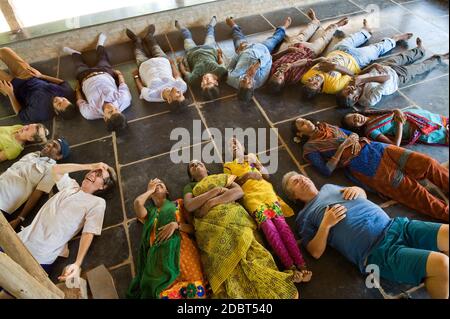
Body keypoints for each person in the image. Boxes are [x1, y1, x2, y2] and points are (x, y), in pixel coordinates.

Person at [282, 171, 449, 299]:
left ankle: (437, 278)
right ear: (294, 196)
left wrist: (358, 190)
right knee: (442, 264)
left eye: (301, 176)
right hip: (377, 252)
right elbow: (315, 252)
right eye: (296, 182)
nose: (302, 179)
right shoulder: (304, 216)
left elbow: (361, 196)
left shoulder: (328, 187)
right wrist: (326, 224)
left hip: (397, 225)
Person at [292, 117, 449, 221]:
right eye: (301, 124)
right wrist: (342, 148)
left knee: (428, 163)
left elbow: (350, 134)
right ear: (300, 133)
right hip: (367, 167)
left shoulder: (326, 126)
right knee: (414, 192)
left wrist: (352, 137)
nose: (305, 121)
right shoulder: (310, 149)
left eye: (304, 119)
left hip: (377, 148)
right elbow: (326, 171)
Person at [183, 160, 299, 299]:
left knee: (252, 253)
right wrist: (216, 191)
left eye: (199, 163)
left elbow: (238, 192)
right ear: (190, 175)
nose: (196, 165)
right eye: (192, 165)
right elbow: (190, 205)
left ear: (207, 169)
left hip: (234, 218)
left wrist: (212, 202)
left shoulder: (222, 176)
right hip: (209, 228)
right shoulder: (190, 187)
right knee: (225, 265)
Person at [223, 138, 312, 282]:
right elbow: (232, 187)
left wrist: (257, 163)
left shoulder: (252, 156)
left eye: (235, 142)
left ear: (242, 146)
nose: (233, 145)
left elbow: (267, 176)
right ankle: (290, 267)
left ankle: (301, 264)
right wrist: (246, 176)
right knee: (270, 230)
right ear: (228, 151)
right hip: (252, 199)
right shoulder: (228, 166)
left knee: (283, 228)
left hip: (267, 194)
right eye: (230, 144)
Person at [15, 162, 116, 277]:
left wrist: (77, 264)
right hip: (19, 239)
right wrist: (89, 166)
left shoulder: (97, 203)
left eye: (99, 174)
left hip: (40, 256)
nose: (93, 173)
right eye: (94, 171)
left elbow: (89, 232)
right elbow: (56, 169)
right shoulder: (71, 186)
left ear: (103, 186)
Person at [127, 178, 208, 299]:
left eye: (161, 183)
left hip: (184, 251)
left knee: (195, 291)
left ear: (167, 191)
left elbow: (194, 228)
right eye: (154, 184)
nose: (157, 184)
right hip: (160, 260)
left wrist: (176, 225)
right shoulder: (149, 213)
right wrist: (150, 191)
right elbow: (138, 203)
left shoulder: (179, 204)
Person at [301, 19, 412, 98]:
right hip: (356, 60)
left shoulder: (306, 77)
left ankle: (366, 30)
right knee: (377, 49)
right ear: (320, 90)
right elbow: (353, 75)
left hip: (338, 50)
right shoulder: (332, 87)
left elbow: (316, 62)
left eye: (310, 81)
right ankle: (395, 39)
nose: (314, 79)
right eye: (315, 84)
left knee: (353, 37)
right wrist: (334, 67)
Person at [337, 38, 449, 108]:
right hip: (397, 77)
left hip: (384, 66)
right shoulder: (369, 99)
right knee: (420, 67)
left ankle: (420, 50)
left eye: (346, 89)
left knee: (403, 56)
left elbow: (362, 72)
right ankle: (441, 57)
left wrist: (374, 65)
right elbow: (386, 78)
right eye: (349, 92)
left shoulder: (354, 84)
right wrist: (363, 79)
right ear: (356, 98)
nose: (349, 88)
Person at [63, 33, 132, 132]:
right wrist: (119, 75)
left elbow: (80, 102)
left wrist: (77, 90)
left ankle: (76, 54)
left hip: (85, 77)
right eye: (117, 110)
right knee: (103, 58)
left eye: (110, 111)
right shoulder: (125, 100)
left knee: (78, 66)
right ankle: (99, 45)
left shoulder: (89, 113)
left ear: (105, 118)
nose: (112, 107)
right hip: (104, 72)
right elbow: (123, 86)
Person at [268, 9, 348, 93]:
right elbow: (309, 63)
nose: (279, 73)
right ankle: (336, 25)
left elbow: (273, 57)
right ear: (284, 81)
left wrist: (287, 50)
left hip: (293, 46)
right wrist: (291, 65)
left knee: (304, 33)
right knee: (323, 39)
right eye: (280, 77)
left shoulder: (272, 68)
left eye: (275, 75)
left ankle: (315, 21)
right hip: (310, 51)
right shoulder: (294, 78)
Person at [0, 138, 71, 229]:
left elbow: (37, 194)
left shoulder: (52, 170)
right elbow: (9, 171)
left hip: (3, 202)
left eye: (55, 146)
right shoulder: (32, 154)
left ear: (59, 156)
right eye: (51, 143)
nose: (49, 145)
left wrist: (20, 218)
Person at [0, 47, 76, 123]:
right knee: (4, 51)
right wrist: (42, 76)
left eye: (59, 104)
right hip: (29, 75)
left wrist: (10, 94)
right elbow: (62, 83)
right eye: (64, 99)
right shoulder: (67, 93)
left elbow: (21, 115)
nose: (59, 99)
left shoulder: (41, 113)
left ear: (56, 112)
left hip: (13, 87)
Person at [226, 16, 292, 101]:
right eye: (249, 82)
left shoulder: (231, 79)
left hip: (244, 49)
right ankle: (284, 27)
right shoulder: (260, 80)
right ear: (253, 85)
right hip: (262, 48)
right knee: (275, 39)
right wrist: (258, 65)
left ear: (238, 86)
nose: (246, 79)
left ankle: (234, 25)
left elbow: (231, 65)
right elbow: (269, 59)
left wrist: (238, 52)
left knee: (237, 37)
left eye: (243, 82)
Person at [125, 25, 188, 107]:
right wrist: (172, 64)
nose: (180, 93)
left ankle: (136, 40)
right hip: (162, 62)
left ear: (169, 100)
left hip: (144, 66)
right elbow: (177, 75)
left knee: (138, 51)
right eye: (182, 95)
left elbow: (141, 88)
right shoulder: (182, 87)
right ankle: (149, 36)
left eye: (178, 96)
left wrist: (136, 76)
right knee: (155, 46)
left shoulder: (151, 96)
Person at [176, 17, 227, 100]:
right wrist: (219, 55)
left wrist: (180, 62)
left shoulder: (193, 79)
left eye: (203, 84)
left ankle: (181, 27)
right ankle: (211, 25)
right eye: (209, 82)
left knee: (186, 35)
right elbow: (221, 62)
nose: (204, 80)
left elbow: (184, 71)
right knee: (210, 34)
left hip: (191, 51)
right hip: (209, 48)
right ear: (216, 82)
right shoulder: (221, 71)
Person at [342, 108, 449, 146]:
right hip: (414, 129)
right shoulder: (370, 130)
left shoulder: (369, 113)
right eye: (354, 122)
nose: (357, 119)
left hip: (416, 116)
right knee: (442, 133)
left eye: (354, 116)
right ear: (355, 128)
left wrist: (397, 111)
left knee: (441, 121)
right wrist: (399, 123)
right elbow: (395, 145)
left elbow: (392, 111)